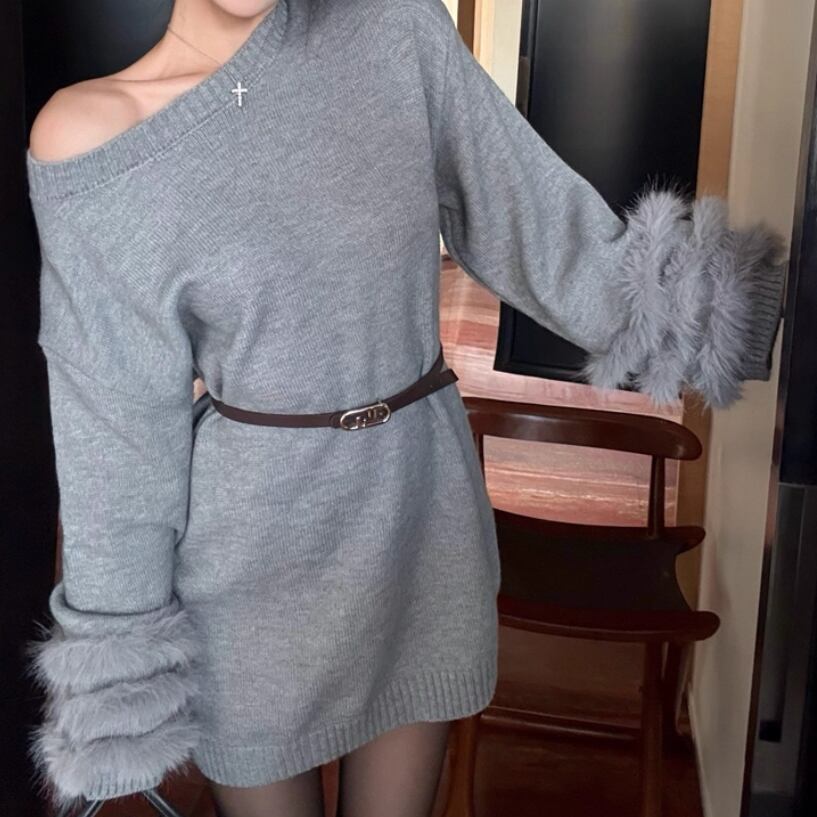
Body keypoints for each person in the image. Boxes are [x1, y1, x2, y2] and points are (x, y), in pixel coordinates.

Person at [23, 0, 787, 816]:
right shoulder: (95, 138)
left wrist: (749, 313)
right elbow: (116, 432)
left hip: (418, 518)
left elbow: (538, 227)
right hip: (252, 568)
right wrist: (120, 675)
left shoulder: (392, 30)